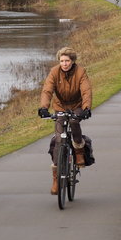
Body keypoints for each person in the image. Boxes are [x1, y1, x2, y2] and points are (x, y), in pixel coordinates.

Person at [38, 46, 92, 195]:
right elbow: (47, 90)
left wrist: (86, 108)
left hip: (77, 105)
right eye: (61, 61)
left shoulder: (80, 72)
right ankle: (56, 179)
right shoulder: (54, 72)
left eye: (67, 61)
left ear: (72, 61)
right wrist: (43, 107)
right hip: (60, 106)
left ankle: (79, 151)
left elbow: (86, 90)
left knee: (74, 122)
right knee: (58, 139)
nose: (64, 64)